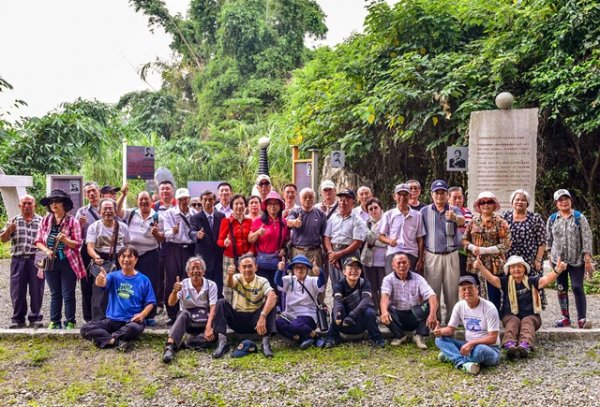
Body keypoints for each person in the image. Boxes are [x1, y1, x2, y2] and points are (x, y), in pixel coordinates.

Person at [474, 255, 566, 358]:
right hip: (509, 315)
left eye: (519, 266)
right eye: (513, 267)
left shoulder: (531, 281)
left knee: (527, 322)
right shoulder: (505, 281)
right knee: (513, 321)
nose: (516, 269)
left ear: (524, 268)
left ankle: (525, 345)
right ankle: (510, 345)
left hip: (532, 315)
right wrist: (481, 267)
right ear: (509, 270)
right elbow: (492, 279)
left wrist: (557, 270)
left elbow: (545, 280)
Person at [80, 246, 156, 352]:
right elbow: (102, 283)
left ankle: (106, 338)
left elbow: (150, 302)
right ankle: (116, 341)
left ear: (136, 259)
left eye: (130, 256)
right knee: (85, 329)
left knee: (133, 328)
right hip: (111, 321)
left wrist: (142, 315)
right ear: (119, 259)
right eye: (123, 256)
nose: (126, 260)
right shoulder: (113, 276)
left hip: (131, 321)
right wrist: (100, 279)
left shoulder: (144, 280)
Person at [35, 189, 86, 329]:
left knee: (68, 292)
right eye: (51, 202)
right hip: (50, 261)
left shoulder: (72, 222)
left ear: (64, 204)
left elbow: (78, 243)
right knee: (54, 292)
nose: (54, 204)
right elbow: (38, 240)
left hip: (68, 261)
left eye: (57, 201)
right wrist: (46, 250)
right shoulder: (45, 220)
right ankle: (55, 321)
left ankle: (70, 321)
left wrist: (65, 240)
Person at [212, 254, 278, 358]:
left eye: (250, 266)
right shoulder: (236, 277)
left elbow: (272, 296)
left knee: (271, 302)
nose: (247, 269)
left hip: (255, 322)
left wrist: (263, 316)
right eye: (244, 267)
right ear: (239, 269)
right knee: (221, 302)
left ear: (256, 267)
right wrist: (229, 275)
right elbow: (230, 284)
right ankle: (222, 343)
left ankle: (266, 344)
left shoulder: (262, 281)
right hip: (237, 319)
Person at [433, 275, 501, 375]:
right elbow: (450, 330)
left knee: (480, 350)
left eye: (470, 288)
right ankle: (463, 363)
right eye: (463, 289)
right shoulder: (459, 306)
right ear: (459, 292)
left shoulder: (489, 307)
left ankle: (452, 356)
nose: (467, 291)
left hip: (489, 348)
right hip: (468, 346)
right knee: (439, 340)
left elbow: (493, 338)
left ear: (477, 289)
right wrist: (440, 331)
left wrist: (472, 343)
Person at [547, 189, 594, 329]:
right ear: (556, 203)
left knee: (577, 286)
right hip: (558, 260)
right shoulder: (552, 219)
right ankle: (565, 317)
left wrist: (587, 257)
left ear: (570, 200)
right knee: (561, 288)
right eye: (560, 200)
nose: (564, 202)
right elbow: (548, 239)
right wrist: (549, 255)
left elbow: (586, 237)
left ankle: (582, 319)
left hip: (576, 259)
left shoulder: (579, 217)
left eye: (566, 199)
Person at [420, 180, 464, 324]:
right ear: (432, 195)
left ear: (447, 195)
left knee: (451, 290)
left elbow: (462, 222)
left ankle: (453, 321)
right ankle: (435, 319)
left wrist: (455, 218)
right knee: (433, 290)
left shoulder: (453, 209)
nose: (439, 196)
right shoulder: (424, 211)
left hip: (451, 254)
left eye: (442, 193)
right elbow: (420, 235)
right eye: (436, 193)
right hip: (432, 255)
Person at [162, 256, 218, 363]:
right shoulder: (183, 284)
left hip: (205, 322)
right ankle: (169, 347)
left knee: (212, 339)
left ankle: (186, 344)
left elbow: (213, 307)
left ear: (203, 271)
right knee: (182, 314)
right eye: (192, 268)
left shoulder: (211, 285)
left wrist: (208, 327)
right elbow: (171, 303)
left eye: (198, 268)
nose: (195, 271)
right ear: (188, 273)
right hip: (189, 322)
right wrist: (174, 291)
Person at [463, 191, 511, 311]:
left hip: (493, 265)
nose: (486, 205)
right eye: (482, 202)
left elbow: (506, 244)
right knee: (475, 292)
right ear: (478, 206)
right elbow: (464, 240)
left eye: (489, 202)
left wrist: (486, 250)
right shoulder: (472, 222)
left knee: (494, 294)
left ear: (494, 205)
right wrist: (472, 247)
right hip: (475, 263)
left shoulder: (501, 222)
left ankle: (494, 319)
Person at [0, 195, 43, 328]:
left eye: (29, 203)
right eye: (24, 203)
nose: (27, 206)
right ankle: (18, 319)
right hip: (18, 260)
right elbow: (3, 239)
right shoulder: (13, 221)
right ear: (19, 205)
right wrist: (8, 230)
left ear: (34, 205)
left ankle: (35, 318)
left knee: (37, 290)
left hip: (36, 259)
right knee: (17, 290)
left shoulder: (41, 221)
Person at [121, 190, 164, 324]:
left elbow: (162, 239)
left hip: (150, 254)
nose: (144, 202)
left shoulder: (157, 217)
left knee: (150, 284)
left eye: (146, 199)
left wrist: (156, 234)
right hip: (131, 254)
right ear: (137, 201)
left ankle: (149, 315)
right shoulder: (131, 213)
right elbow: (117, 211)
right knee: (130, 283)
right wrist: (122, 195)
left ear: (151, 201)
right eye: (141, 199)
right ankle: (130, 313)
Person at [380, 253, 438, 349]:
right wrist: (384, 311)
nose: (402, 265)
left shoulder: (418, 278)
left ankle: (419, 336)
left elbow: (431, 295)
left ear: (409, 264)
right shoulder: (388, 279)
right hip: (396, 316)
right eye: (399, 263)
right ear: (393, 265)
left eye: (404, 262)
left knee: (432, 303)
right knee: (384, 307)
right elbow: (385, 296)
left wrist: (433, 314)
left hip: (414, 315)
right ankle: (400, 336)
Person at [324, 257, 385, 348]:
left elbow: (366, 300)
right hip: (344, 323)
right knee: (337, 310)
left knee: (369, 311)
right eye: (351, 268)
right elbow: (337, 301)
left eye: (357, 268)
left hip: (359, 323)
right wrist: (337, 314)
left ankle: (376, 338)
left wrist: (353, 314)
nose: (354, 271)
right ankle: (332, 337)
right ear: (344, 271)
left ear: (361, 271)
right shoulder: (339, 284)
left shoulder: (365, 283)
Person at [87, 198, 131, 321]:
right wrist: (96, 257)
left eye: (110, 208)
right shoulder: (94, 227)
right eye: (105, 209)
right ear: (100, 211)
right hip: (101, 261)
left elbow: (127, 245)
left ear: (115, 211)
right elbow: (89, 247)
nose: (108, 211)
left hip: (119, 260)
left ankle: (120, 319)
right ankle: (98, 321)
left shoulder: (122, 227)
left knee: (121, 290)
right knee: (100, 292)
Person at [501, 189, 547, 305]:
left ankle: (532, 312)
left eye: (523, 200)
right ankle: (510, 311)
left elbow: (542, 241)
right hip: (510, 258)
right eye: (517, 199)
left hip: (530, 259)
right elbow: (500, 239)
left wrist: (538, 260)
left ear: (527, 203)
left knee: (531, 285)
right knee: (510, 283)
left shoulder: (535, 218)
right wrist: (502, 258)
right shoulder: (505, 216)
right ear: (512, 202)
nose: (520, 202)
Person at [275, 255, 326, 349]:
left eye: (303, 267)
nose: (300, 270)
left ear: (307, 269)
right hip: (290, 314)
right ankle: (302, 339)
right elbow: (278, 282)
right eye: (297, 267)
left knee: (295, 324)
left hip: (308, 314)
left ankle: (315, 336)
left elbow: (321, 284)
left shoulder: (312, 280)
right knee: (277, 322)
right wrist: (279, 270)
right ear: (293, 269)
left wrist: (320, 273)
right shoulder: (289, 280)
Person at [163, 188, 197, 324]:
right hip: (173, 248)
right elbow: (165, 234)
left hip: (189, 249)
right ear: (177, 200)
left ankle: (189, 311)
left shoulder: (194, 213)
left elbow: (195, 233)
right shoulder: (170, 213)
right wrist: (173, 231)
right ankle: (172, 314)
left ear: (189, 199)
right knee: (172, 280)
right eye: (181, 199)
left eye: (186, 199)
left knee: (189, 279)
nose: (184, 202)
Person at [323, 189, 367, 286]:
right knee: (336, 284)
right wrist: (331, 253)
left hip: (350, 254)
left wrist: (339, 254)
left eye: (346, 200)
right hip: (333, 253)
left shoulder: (358, 220)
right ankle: (337, 301)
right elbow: (326, 237)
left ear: (353, 203)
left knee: (351, 284)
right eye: (341, 199)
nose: (342, 202)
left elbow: (357, 243)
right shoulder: (333, 218)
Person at [378, 183, 425, 274]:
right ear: (394, 196)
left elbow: (420, 239)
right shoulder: (388, 215)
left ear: (410, 196)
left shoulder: (417, 215)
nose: (402, 197)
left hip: (411, 253)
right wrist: (390, 241)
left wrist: (420, 259)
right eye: (399, 194)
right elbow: (380, 236)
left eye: (405, 194)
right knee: (392, 281)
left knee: (411, 283)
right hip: (393, 252)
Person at [248, 191, 289, 290]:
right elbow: (250, 239)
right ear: (266, 206)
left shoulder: (283, 222)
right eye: (270, 203)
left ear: (280, 206)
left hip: (277, 261)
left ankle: (276, 305)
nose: (273, 206)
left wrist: (284, 249)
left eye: (275, 203)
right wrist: (258, 233)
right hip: (262, 262)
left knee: (276, 288)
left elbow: (287, 240)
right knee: (263, 289)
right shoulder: (258, 221)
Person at [217, 194, 254, 303]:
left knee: (246, 284)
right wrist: (224, 243)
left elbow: (252, 240)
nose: (239, 206)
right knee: (229, 285)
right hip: (230, 259)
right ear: (232, 206)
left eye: (241, 203)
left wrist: (251, 252)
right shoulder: (226, 221)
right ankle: (229, 310)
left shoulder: (249, 221)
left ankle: (244, 309)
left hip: (246, 258)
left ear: (245, 206)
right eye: (236, 204)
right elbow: (219, 241)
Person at [190, 190, 225, 298]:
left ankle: (218, 310)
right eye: (205, 200)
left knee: (218, 286)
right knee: (205, 285)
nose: (207, 202)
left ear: (214, 200)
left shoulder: (221, 216)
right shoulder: (195, 217)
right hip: (204, 257)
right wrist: (197, 235)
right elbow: (191, 232)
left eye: (210, 199)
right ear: (201, 201)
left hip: (219, 257)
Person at [76, 181, 102, 323]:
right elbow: (75, 234)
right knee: (86, 283)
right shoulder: (82, 212)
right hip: (87, 249)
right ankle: (88, 317)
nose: (91, 194)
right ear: (86, 195)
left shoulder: (107, 207)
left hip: (103, 248)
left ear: (99, 191)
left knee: (103, 282)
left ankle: (102, 315)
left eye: (93, 190)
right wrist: (79, 224)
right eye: (88, 192)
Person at [287, 188, 327, 268]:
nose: (308, 199)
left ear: (314, 199)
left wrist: (326, 252)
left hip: (315, 252)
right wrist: (294, 222)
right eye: (305, 197)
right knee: (298, 278)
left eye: (310, 197)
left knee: (314, 278)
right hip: (298, 252)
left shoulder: (320, 214)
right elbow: (288, 222)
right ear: (300, 198)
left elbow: (324, 236)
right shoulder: (295, 212)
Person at [154, 180, 177, 315]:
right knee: (159, 275)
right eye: (162, 189)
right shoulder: (154, 207)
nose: (165, 191)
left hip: (175, 246)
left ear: (172, 190)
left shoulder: (179, 205)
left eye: (167, 189)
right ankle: (159, 303)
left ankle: (175, 303)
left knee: (173, 276)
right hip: (159, 245)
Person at [360, 197, 388, 307]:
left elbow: (388, 242)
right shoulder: (365, 223)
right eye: (370, 209)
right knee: (371, 287)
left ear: (381, 208)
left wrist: (374, 241)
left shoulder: (388, 221)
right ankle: (375, 310)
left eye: (376, 208)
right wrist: (379, 239)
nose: (373, 211)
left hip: (384, 261)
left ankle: (384, 311)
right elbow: (365, 238)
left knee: (384, 287)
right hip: (368, 260)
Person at [448, 186, 472, 277]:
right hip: (452, 252)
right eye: (454, 198)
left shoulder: (468, 212)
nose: (458, 200)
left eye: (460, 197)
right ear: (448, 198)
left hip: (466, 252)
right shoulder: (445, 211)